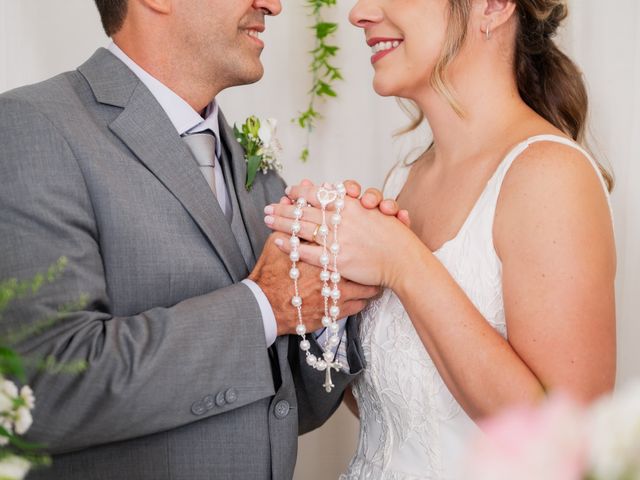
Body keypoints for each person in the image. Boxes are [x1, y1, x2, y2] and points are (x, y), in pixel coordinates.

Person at [0, 0, 401, 478]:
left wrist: (339, 291)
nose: (272, 4)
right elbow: (46, 386)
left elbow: (283, 405)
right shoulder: (31, 127)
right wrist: (266, 308)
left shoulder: (251, 161)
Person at [264, 0, 617, 478]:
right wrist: (319, 279)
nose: (359, 13)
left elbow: (571, 449)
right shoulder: (402, 180)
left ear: (492, 7)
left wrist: (404, 262)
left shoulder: (549, 175)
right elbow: (404, 416)